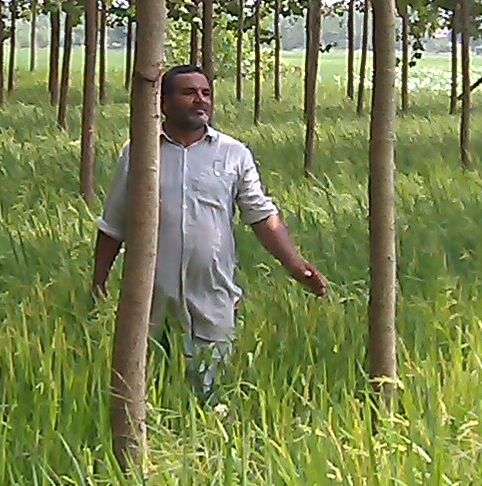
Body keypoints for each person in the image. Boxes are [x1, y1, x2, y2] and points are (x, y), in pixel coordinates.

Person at [91, 63, 325, 405]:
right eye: (188, 93)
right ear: (164, 103)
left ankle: (205, 449)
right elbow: (114, 223)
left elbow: (261, 216)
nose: (200, 100)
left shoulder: (234, 154)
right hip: (149, 294)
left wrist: (296, 267)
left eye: (205, 93)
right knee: (149, 389)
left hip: (213, 293)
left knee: (210, 392)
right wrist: (98, 283)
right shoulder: (140, 151)